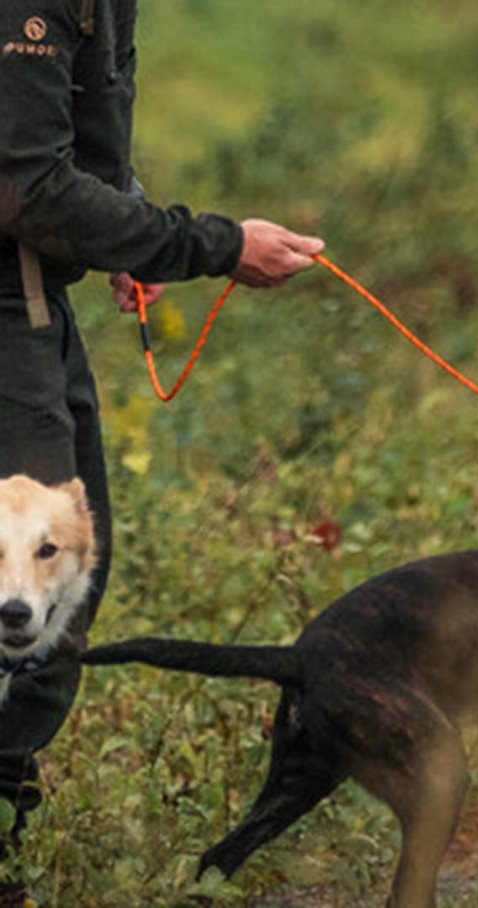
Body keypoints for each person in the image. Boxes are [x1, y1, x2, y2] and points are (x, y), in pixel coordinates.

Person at [0, 0, 324, 896]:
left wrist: (129, 227)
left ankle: (7, 835)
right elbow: (28, 186)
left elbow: (69, 141)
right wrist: (210, 246)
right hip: (6, 302)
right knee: (31, 587)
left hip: (33, 298)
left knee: (67, 574)